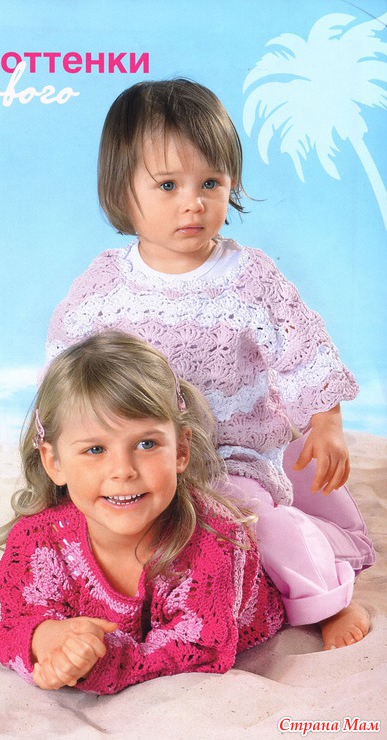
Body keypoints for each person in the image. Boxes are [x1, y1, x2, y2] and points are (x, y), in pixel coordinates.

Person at [45, 79, 375, 650]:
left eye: (211, 183)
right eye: (168, 185)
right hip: (139, 457)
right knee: (87, 528)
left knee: (250, 525)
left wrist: (326, 424)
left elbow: (303, 350)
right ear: (123, 191)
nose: (193, 202)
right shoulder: (103, 286)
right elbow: (66, 371)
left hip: (230, 458)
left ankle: (326, 599)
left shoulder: (250, 279)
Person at [0, 332, 285, 694]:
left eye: (147, 444)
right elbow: (17, 620)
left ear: (180, 450)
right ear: (55, 463)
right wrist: (49, 640)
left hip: (256, 603)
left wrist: (97, 664)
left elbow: (196, 647)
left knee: (297, 559)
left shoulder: (214, 543)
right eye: (95, 449)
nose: (123, 470)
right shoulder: (37, 542)